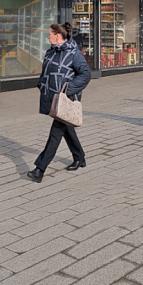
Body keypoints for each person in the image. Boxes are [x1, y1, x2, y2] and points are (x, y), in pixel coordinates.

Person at [28, 22, 92, 182]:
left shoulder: (73, 53)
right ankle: (79, 157)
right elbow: (45, 72)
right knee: (67, 127)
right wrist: (42, 86)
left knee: (56, 133)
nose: (47, 36)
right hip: (54, 97)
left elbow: (85, 74)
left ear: (57, 36)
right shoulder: (51, 52)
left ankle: (40, 169)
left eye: (50, 33)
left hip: (66, 98)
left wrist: (68, 90)